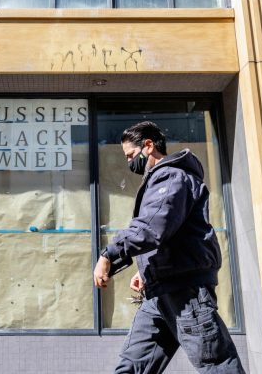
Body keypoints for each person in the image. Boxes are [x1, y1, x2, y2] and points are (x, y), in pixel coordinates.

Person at [93, 121, 244, 374]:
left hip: (186, 293)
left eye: (131, 155)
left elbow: (152, 227)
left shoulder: (172, 177)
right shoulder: (162, 180)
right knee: (132, 365)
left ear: (149, 146)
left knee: (216, 365)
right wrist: (146, 270)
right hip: (159, 291)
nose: (129, 162)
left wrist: (109, 254)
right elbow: (170, 234)